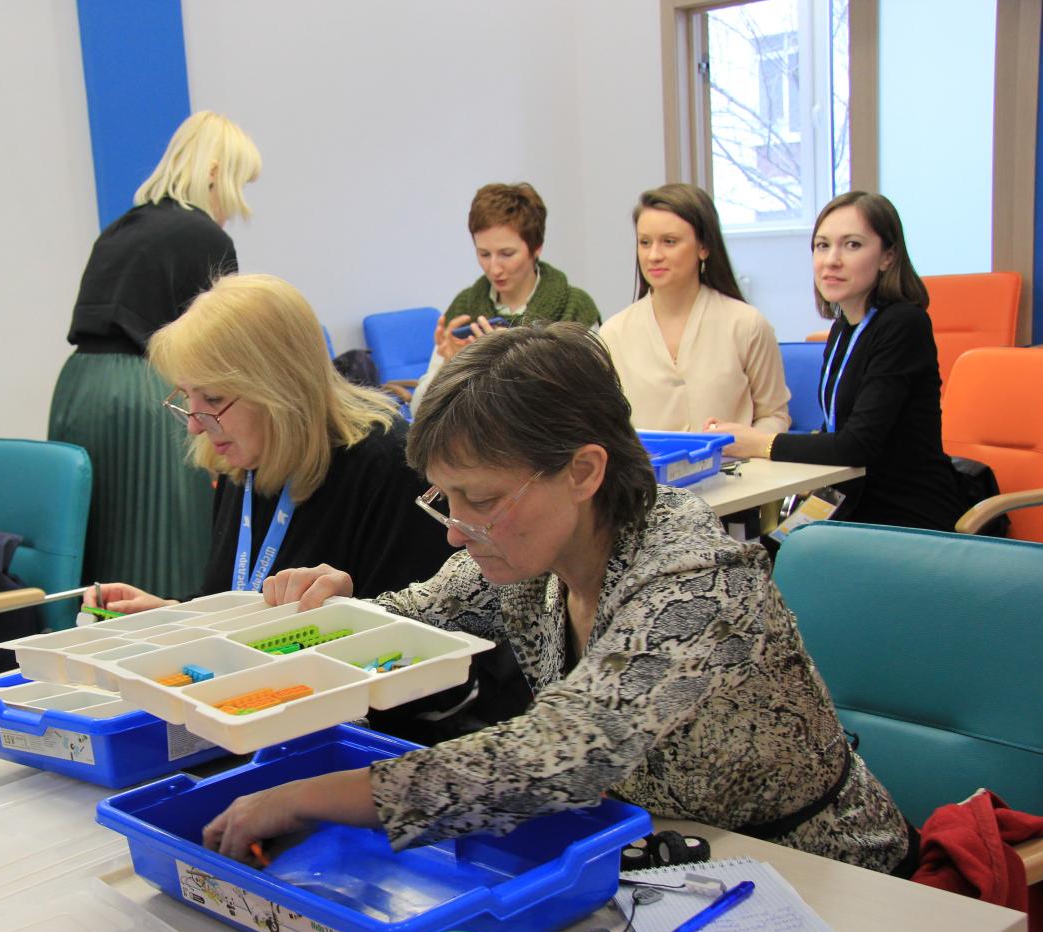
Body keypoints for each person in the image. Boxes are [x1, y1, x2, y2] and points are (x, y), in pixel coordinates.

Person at [203, 323, 917, 877]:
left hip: (822, 875)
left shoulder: (696, 576)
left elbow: (556, 755)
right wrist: (336, 611)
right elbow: (413, 615)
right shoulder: (530, 554)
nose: (455, 531)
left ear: (582, 471)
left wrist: (304, 798)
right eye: (445, 499)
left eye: (480, 500)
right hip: (665, 860)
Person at [95, 273, 452, 616]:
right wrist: (174, 613)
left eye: (213, 398)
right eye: (187, 396)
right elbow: (235, 600)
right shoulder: (242, 459)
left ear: (281, 388)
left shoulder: (393, 469)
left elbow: (418, 637)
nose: (194, 425)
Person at [49, 111, 262, 600]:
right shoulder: (205, 237)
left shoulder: (120, 229)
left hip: (80, 387)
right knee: (164, 543)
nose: (235, 206)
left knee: (96, 536)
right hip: (144, 392)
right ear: (215, 173)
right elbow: (221, 347)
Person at [706, 192, 965, 531]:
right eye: (822, 246)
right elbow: (836, 430)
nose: (831, 260)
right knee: (764, 542)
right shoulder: (843, 327)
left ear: (888, 256)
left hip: (905, 511)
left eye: (852, 245)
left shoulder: (903, 324)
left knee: (777, 552)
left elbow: (856, 445)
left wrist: (758, 443)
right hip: (849, 497)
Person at [599, 184, 790, 433]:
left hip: (732, 459)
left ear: (704, 247)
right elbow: (604, 425)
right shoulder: (613, 333)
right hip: (645, 460)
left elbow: (774, 415)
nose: (653, 255)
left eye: (669, 242)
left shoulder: (746, 324)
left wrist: (746, 443)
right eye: (645, 242)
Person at [409, 182, 600, 414]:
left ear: (536, 248)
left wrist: (511, 362)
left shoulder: (575, 308)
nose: (494, 268)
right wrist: (450, 367)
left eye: (507, 254)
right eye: (483, 254)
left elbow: (593, 400)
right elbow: (418, 409)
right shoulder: (464, 307)